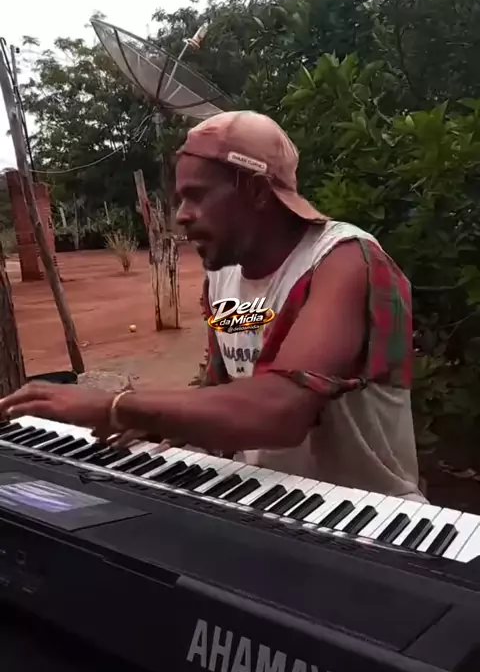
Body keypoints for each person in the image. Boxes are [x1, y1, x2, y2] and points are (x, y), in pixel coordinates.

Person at [0, 111, 425, 501]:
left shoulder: (346, 262)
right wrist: (164, 423)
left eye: (197, 196)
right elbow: (222, 389)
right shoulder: (223, 276)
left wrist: (114, 406)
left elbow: (280, 411)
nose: (182, 216)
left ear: (256, 191)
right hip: (265, 500)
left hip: (372, 518)